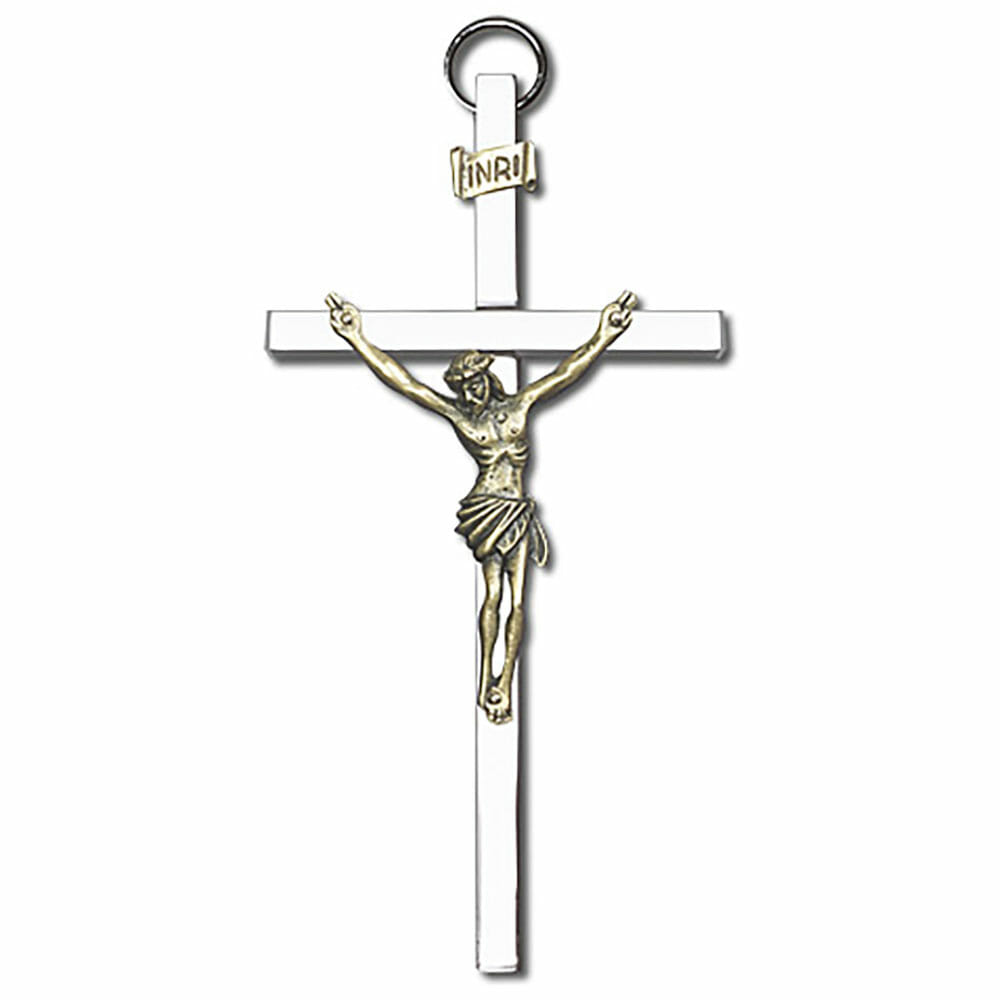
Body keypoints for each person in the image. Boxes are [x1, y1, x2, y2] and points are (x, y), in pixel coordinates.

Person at [327, 291, 636, 723]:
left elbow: (565, 373)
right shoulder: (462, 418)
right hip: (485, 508)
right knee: (493, 595)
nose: (470, 395)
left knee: (518, 599)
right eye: (462, 389)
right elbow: (407, 384)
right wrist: (357, 339)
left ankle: (504, 680)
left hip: (517, 508)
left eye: (474, 385)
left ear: (488, 379)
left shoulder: (519, 406)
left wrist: (603, 336)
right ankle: (483, 676)